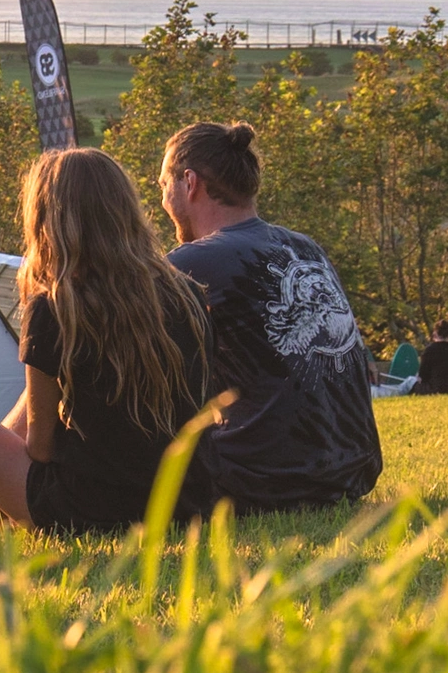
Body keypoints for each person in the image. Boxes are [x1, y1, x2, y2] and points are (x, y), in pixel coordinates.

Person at [0, 148, 216, 534]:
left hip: (90, 509)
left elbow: (40, 448)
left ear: (47, 218)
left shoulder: (58, 306)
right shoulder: (189, 296)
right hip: (185, 505)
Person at [159, 121, 381, 508]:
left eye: (163, 186)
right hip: (352, 471)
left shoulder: (192, 261)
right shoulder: (306, 248)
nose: (162, 200)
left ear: (189, 182)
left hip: (267, 482)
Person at [418, 322, 448, 397]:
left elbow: (423, 374)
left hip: (434, 388)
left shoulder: (430, 350)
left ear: (435, 334)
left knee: (409, 381)